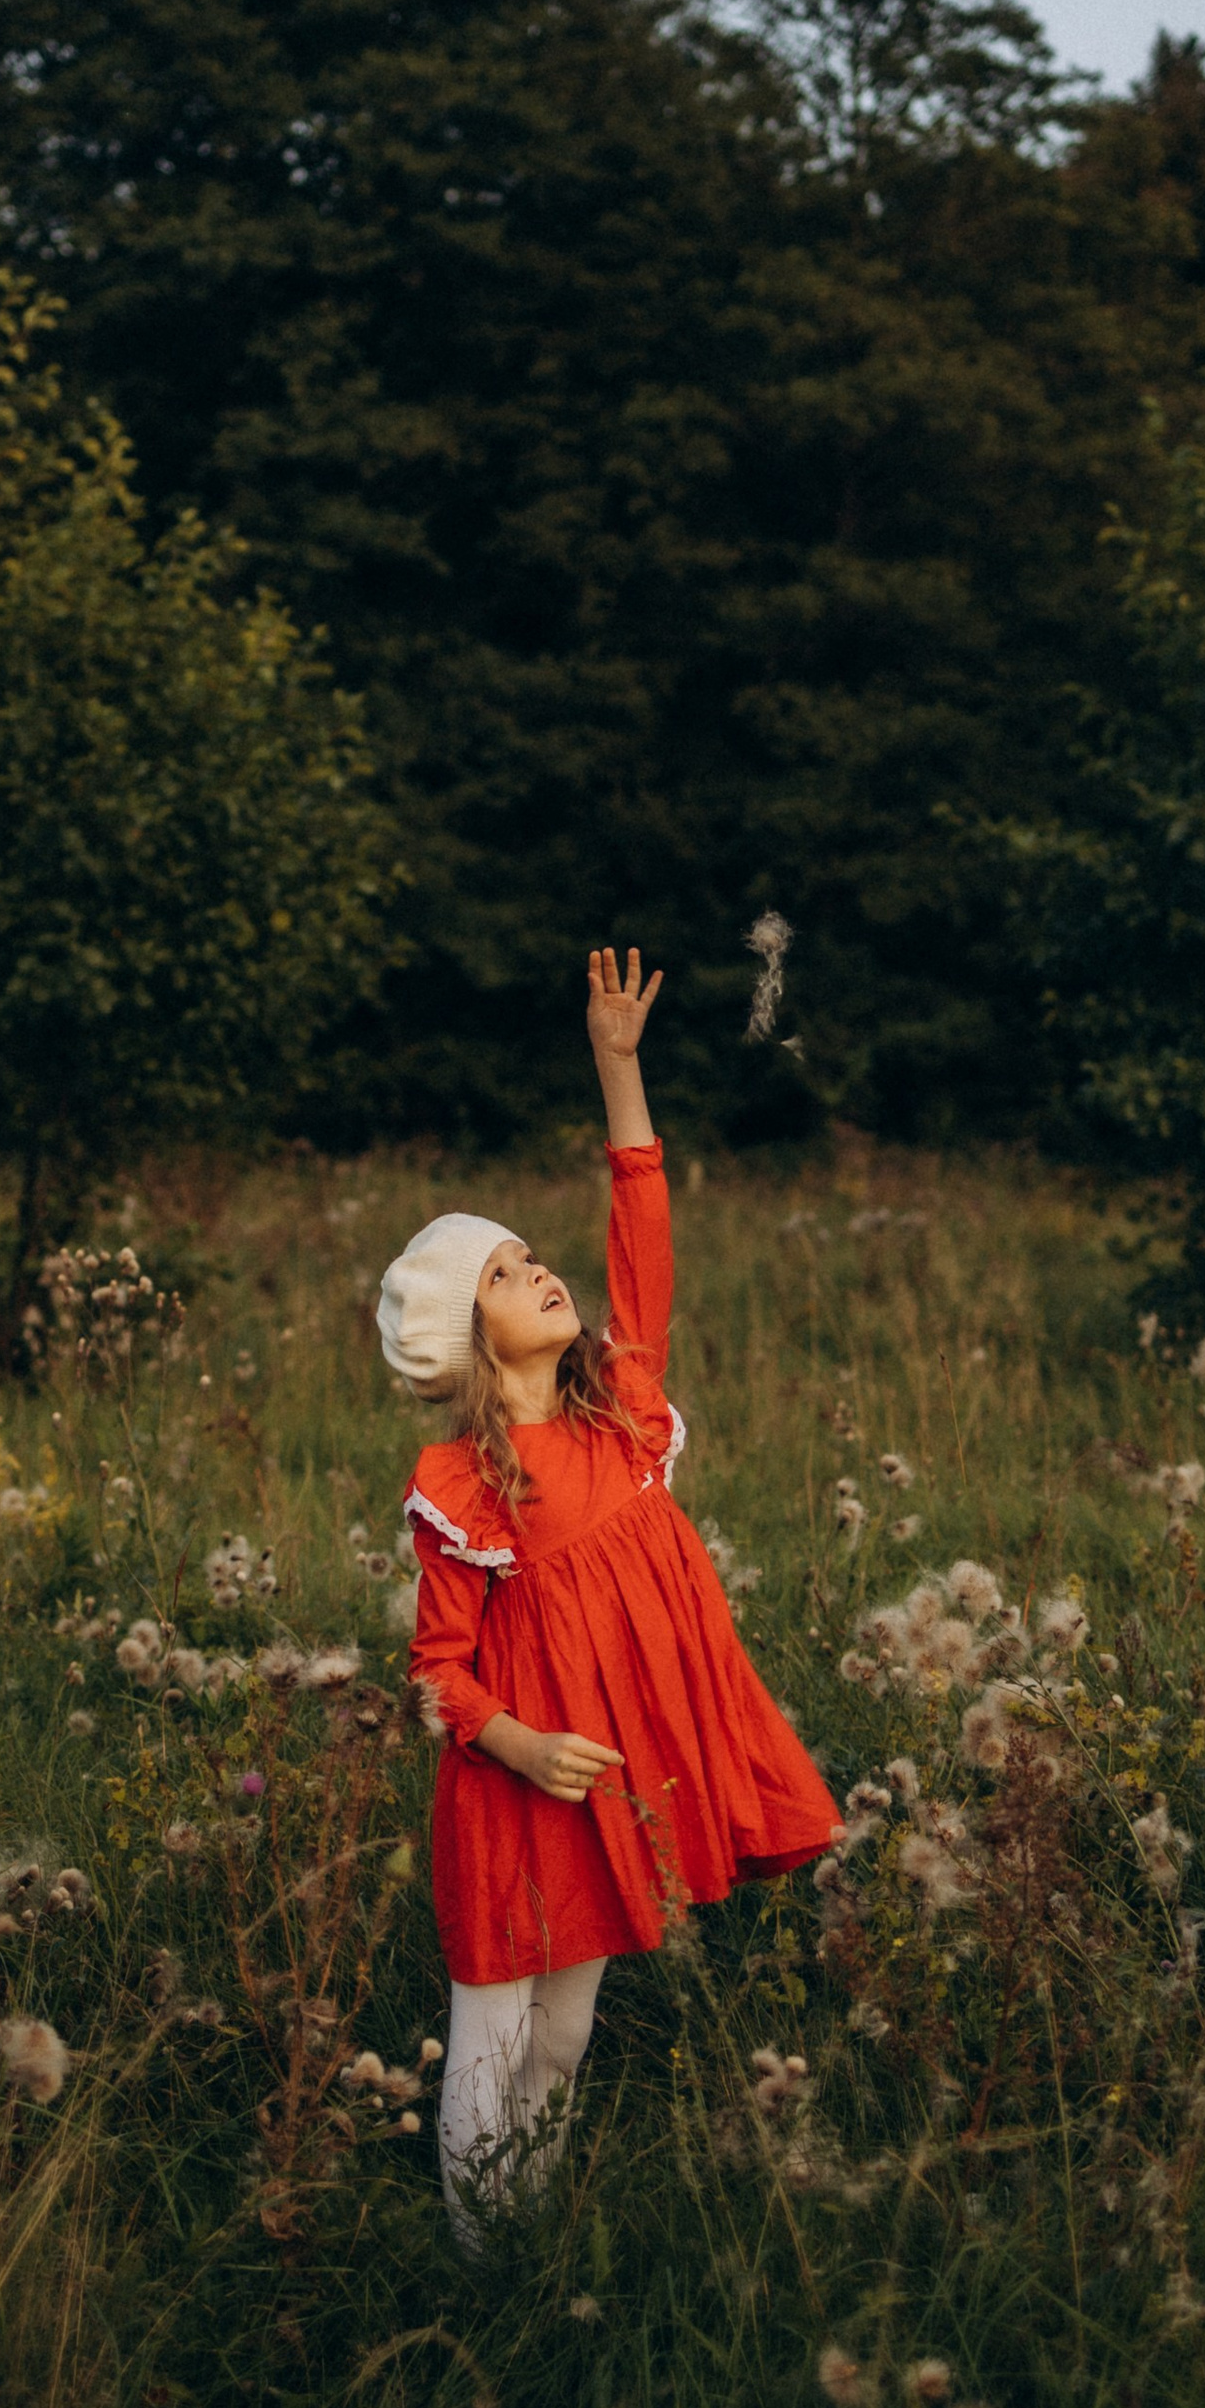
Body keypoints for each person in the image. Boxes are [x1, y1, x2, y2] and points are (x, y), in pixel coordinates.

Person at [378, 946, 839, 2235]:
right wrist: (516, 1741)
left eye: (535, 1259)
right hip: (518, 1785)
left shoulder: (625, 1415)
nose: (542, 1275)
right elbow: (437, 1670)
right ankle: (476, 2262)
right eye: (507, 1275)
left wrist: (617, 1068)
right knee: (491, 2034)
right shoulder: (465, 1483)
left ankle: (526, 2216)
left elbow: (641, 1233)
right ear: (468, 1339)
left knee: (567, 2038)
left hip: (606, 1774)